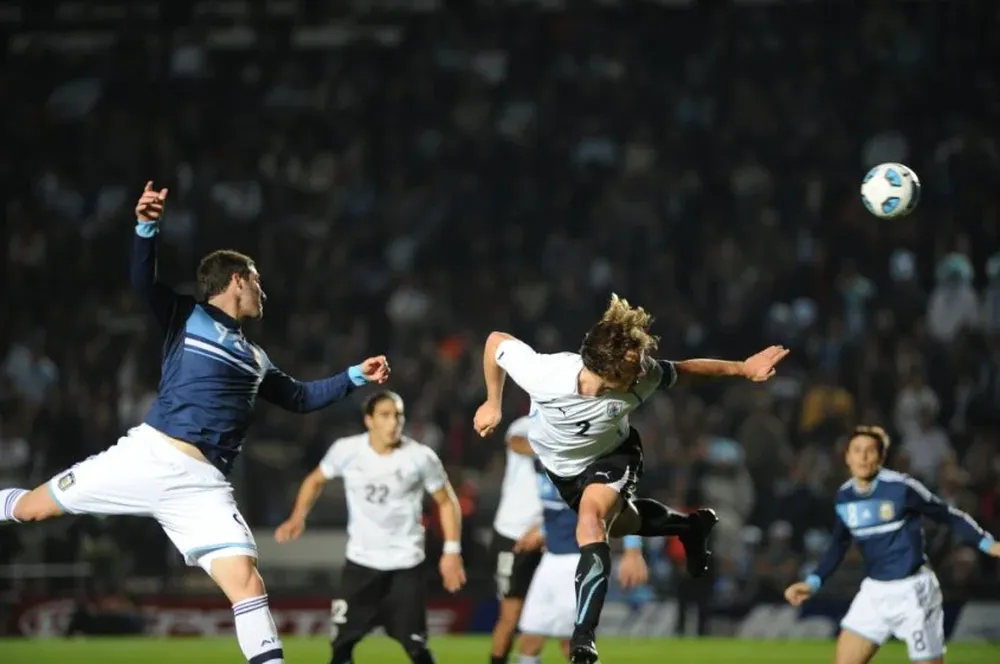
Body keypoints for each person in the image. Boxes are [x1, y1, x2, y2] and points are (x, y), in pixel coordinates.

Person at [0, 183, 390, 664]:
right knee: (31, 509)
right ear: (238, 280)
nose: (264, 291)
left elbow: (301, 397)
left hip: (202, 486)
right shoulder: (185, 315)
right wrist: (146, 227)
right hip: (148, 455)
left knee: (246, 582)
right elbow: (143, 283)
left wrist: (354, 376)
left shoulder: (256, 358)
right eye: (258, 281)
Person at [473, 294, 789, 664]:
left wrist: (743, 368)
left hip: (614, 455)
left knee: (591, 522)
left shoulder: (643, 375)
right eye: (631, 369)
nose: (641, 373)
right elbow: (495, 341)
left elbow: (685, 369)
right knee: (625, 523)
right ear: (604, 370)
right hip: (563, 471)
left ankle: (583, 639)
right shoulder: (546, 374)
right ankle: (689, 526)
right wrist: (492, 402)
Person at [275, 390, 466, 664]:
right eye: (385, 415)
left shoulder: (421, 457)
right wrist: (297, 517)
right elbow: (315, 480)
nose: (393, 423)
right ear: (369, 420)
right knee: (341, 649)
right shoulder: (346, 450)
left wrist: (452, 551)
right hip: (360, 566)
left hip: (405, 566)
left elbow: (447, 501)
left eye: (398, 415)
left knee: (416, 648)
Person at [784, 426, 1000, 664]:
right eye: (857, 450)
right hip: (874, 593)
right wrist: (812, 583)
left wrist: (987, 544)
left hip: (914, 592)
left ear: (881, 457)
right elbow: (838, 544)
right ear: (847, 457)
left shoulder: (901, 488)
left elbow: (947, 515)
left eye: (870, 451)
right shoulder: (845, 497)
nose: (863, 457)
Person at [513, 459, 649, 664]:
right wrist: (542, 531)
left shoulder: (585, 463)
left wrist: (633, 552)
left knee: (573, 644)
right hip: (550, 560)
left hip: (579, 561)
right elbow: (561, 511)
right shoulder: (542, 463)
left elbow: (625, 501)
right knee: (529, 640)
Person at [488, 415, 544, 664]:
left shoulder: (577, 426)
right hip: (511, 535)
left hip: (550, 535)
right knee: (510, 618)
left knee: (556, 623)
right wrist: (559, 448)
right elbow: (516, 442)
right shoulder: (526, 423)